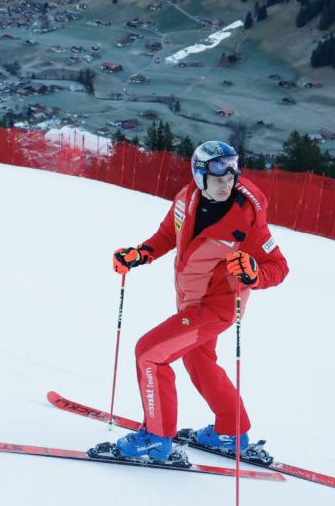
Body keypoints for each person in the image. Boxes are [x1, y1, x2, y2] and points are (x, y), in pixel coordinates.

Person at [102, 141, 289, 465]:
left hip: (217, 306)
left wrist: (254, 273)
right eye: (217, 179)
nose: (225, 185)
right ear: (199, 176)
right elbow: (166, 235)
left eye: (230, 178)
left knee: (149, 353)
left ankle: (157, 440)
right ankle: (231, 432)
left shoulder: (247, 215)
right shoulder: (186, 199)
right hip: (191, 300)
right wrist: (140, 254)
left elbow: (279, 266)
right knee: (198, 363)